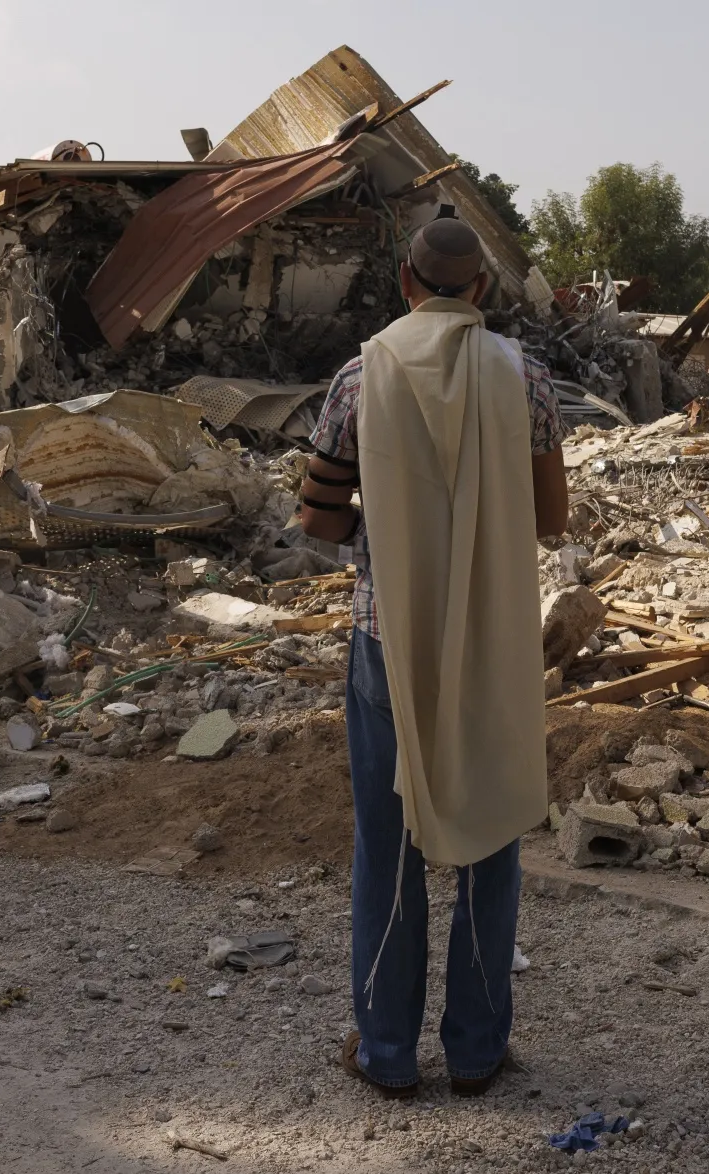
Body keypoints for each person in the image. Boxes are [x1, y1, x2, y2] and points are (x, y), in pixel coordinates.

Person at [300, 212, 569, 1098]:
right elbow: (552, 517)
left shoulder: (358, 375)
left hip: (388, 634)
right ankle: (476, 1051)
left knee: (389, 841)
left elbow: (319, 519)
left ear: (405, 281)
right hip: (493, 635)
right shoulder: (524, 377)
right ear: (481, 289)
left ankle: (385, 1054)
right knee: (491, 831)